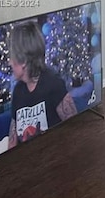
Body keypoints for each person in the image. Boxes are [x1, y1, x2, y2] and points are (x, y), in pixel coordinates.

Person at [8, 21, 77, 149]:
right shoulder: (18, 92)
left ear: (23, 61)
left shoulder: (53, 84)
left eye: (12, 57)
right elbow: (12, 143)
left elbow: (75, 130)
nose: (10, 62)